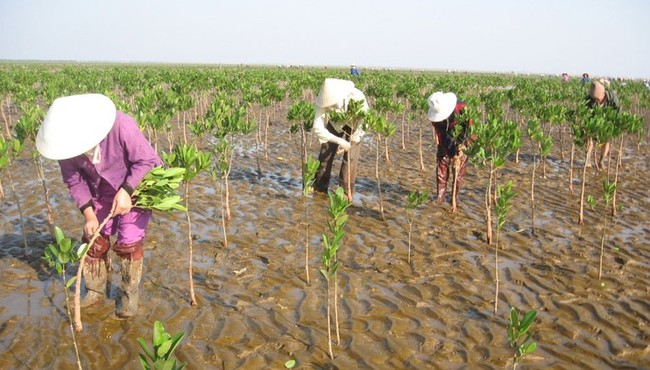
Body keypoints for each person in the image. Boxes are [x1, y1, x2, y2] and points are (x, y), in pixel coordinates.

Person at [36, 93, 162, 318]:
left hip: (135, 186)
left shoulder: (122, 125)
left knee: (129, 243)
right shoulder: (65, 147)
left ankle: (128, 295)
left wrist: (127, 190)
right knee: (93, 240)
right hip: (100, 192)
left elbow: (146, 161)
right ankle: (94, 291)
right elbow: (74, 181)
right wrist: (89, 216)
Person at [312, 78, 369, 201]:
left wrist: (356, 137)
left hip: (355, 123)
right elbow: (317, 128)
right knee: (325, 153)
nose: (330, 107)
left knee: (351, 158)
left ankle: (345, 190)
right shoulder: (322, 101)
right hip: (336, 122)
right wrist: (339, 141)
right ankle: (319, 186)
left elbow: (365, 122)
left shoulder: (358, 98)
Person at [427, 91, 472, 205]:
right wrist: (450, 152)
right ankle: (440, 197)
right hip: (445, 137)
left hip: (463, 137)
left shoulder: (462, 108)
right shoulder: (435, 117)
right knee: (442, 162)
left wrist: (460, 150)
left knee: (459, 168)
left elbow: (469, 130)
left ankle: (454, 198)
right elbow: (441, 134)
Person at [585, 79, 620, 169]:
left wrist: (612, 127)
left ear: (603, 94)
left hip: (607, 121)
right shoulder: (588, 99)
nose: (595, 101)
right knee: (589, 140)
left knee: (606, 140)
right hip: (593, 121)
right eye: (594, 99)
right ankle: (587, 160)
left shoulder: (613, 99)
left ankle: (601, 161)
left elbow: (617, 114)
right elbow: (584, 114)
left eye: (597, 98)